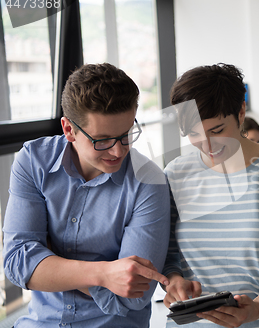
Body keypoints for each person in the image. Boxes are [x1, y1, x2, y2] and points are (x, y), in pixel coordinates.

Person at [2, 63, 170, 327]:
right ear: (69, 129)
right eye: (102, 140)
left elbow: (135, 296)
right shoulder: (33, 161)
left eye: (126, 135)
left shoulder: (149, 181)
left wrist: (49, 261)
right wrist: (104, 274)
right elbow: (16, 263)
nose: (118, 152)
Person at [162, 63, 259, 327]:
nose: (206, 145)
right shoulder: (175, 174)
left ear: (241, 112)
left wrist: (256, 310)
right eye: (194, 133)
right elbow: (170, 258)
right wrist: (173, 282)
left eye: (217, 130)